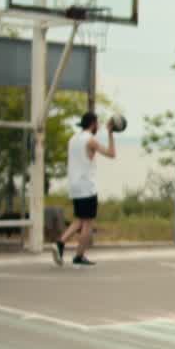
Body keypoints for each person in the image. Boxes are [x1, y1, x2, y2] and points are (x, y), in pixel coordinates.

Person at [54, 112, 116, 267]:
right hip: (87, 187)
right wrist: (110, 133)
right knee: (88, 223)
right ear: (93, 123)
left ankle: (60, 243)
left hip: (74, 186)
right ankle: (78, 256)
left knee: (79, 220)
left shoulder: (73, 139)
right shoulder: (90, 140)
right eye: (98, 124)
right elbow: (111, 154)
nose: (99, 126)